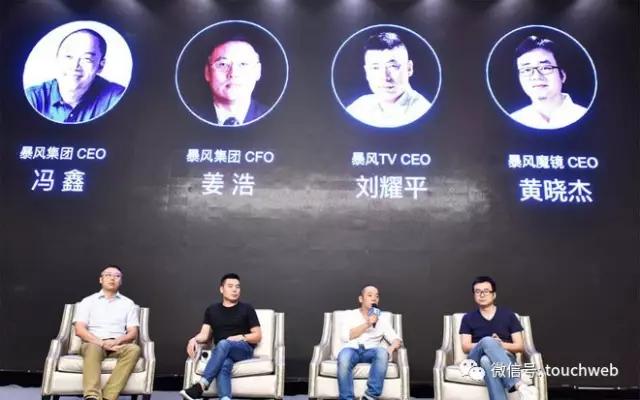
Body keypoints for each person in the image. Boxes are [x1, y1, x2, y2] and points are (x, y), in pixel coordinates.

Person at [180, 273, 262, 400]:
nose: (235, 290)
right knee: (224, 363)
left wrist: (241, 337)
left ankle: (201, 385)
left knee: (223, 343)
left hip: (243, 349)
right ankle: (225, 398)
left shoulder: (247, 309)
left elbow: (257, 336)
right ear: (221, 289)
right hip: (222, 352)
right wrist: (194, 339)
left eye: (237, 287)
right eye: (230, 286)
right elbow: (204, 335)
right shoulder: (212, 310)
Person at [459, 276, 537, 400]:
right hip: (475, 359)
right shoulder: (468, 318)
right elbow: (465, 346)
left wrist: (500, 345)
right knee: (487, 341)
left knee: (486, 360)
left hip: (505, 357)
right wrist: (488, 343)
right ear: (474, 295)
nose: (482, 295)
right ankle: (518, 384)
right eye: (478, 292)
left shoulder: (509, 315)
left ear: (494, 294)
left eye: (486, 291)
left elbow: (520, 346)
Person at [25, 28, 125, 123]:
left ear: (100, 66)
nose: (74, 66)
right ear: (57, 59)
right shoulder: (33, 98)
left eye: (87, 59)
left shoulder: (115, 98)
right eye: (69, 57)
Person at [72, 265, 141, 400]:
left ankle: (108, 397)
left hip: (117, 345)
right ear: (101, 279)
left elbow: (133, 332)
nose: (112, 278)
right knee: (93, 348)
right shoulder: (88, 301)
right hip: (93, 343)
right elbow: (79, 330)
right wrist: (102, 343)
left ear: (121, 281)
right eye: (108, 275)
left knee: (134, 349)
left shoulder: (128, 304)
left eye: (117, 276)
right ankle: (92, 396)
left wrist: (116, 341)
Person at [346, 32, 431, 128]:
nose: (385, 77)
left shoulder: (423, 113)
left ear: (409, 69)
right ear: (367, 72)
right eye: (375, 67)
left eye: (392, 66)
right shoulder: (359, 107)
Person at [336, 285, 402, 400]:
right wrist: (368, 324)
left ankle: (370, 396)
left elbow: (396, 339)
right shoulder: (350, 314)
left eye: (377, 296)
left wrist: (390, 349)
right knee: (344, 356)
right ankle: (346, 398)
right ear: (361, 299)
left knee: (382, 352)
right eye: (370, 295)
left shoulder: (381, 318)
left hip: (371, 350)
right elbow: (346, 336)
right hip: (352, 349)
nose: (374, 298)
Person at [510, 35, 587, 129]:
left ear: (562, 75)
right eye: (526, 70)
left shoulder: (585, 116)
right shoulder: (513, 121)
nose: (536, 76)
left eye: (545, 68)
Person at [199, 39, 267, 126]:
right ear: (207, 72)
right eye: (223, 64)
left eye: (243, 64)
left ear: (257, 71)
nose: (233, 74)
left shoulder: (275, 120)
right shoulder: (187, 120)